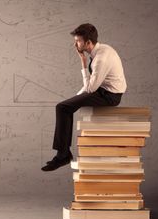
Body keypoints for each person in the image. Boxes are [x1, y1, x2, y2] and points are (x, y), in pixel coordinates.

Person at [41, 23, 127, 172]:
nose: (75, 44)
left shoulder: (101, 58)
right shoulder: (101, 50)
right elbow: (91, 87)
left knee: (62, 108)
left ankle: (63, 156)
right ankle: (63, 154)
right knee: (65, 106)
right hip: (102, 90)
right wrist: (75, 99)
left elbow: (90, 88)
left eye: (78, 41)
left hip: (110, 96)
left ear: (88, 43)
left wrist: (82, 63)